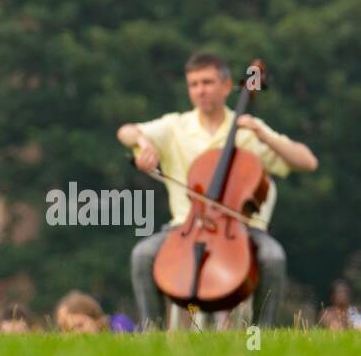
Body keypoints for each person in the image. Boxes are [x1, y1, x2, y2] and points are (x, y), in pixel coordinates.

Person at [116, 52, 318, 329]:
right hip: (183, 228)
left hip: (243, 230)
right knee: (142, 255)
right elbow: (125, 131)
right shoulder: (175, 126)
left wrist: (265, 135)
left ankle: (260, 337)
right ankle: (153, 335)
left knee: (273, 257)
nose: (201, 90)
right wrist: (143, 142)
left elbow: (307, 162)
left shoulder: (248, 131)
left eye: (208, 82)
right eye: (194, 84)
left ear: (226, 86)